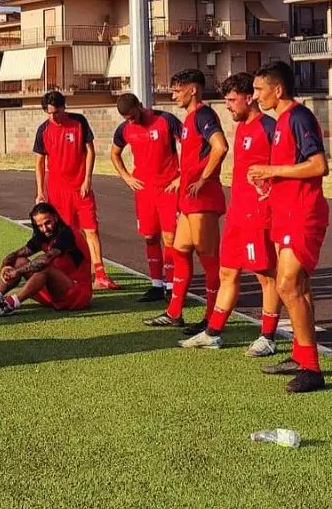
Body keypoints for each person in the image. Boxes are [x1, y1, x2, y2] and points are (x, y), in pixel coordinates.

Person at [180, 72, 283, 357]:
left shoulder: (269, 127)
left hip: (259, 214)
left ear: (249, 98)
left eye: (231, 100)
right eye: (225, 100)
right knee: (228, 271)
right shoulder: (243, 128)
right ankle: (213, 332)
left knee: (266, 275)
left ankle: (268, 336)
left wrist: (271, 190)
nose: (227, 105)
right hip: (238, 213)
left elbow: (288, 165)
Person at [247, 61, 330, 393]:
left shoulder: (298, 117)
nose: (255, 97)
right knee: (300, 289)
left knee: (287, 286)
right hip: (286, 214)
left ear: (277, 90)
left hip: (303, 215)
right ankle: (301, 356)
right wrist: (269, 180)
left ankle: (312, 369)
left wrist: (273, 170)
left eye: (258, 90)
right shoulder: (282, 121)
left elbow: (318, 165)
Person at [143, 69, 228, 332]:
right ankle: (174, 312)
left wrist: (203, 178)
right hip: (188, 199)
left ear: (192, 90)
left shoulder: (203, 114)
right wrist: (183, 178)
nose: (173, 96)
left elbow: (221, 146)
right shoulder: (190, 119)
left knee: (208, 257)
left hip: (203, 199)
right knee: (180, 250)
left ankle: (211, 319)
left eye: (177, 91)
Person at [32, 91, 118, 290]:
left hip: (80, 188)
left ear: (64, 107)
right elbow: (39, 162)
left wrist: (87, 179)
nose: (54, 116)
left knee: (91, 229)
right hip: (56, 191)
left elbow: (90, 151)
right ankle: (73, 274)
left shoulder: (79, 122)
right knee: (67, 234)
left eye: (57, 111)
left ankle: (100, 274)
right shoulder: (43, 130)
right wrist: (40, 191)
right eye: (49, 113)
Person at [111, 93, 182, 302]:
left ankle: (172, 285)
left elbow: (189, 145)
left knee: (170, 237)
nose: (131, 121)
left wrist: (182, 176)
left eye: (133, 116)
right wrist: (126, 177)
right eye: (127, 119)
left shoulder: (165, 120)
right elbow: (114, 153)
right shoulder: (124, 129)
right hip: (144, 190)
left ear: (140, 106)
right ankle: (156, 285)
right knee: (150, 236)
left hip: (168, 188)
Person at [0, 203, 92, 316]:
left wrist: (17, 272)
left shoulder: (67, 234)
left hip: (77, 295)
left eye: (47, 222)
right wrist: (5, 266)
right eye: (40, 225)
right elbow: (16, 254)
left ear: (55, 217)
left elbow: (45, 260)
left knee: (44, 266)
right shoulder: (43, 235)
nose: (45, 229)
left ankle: (9, 304)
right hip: (55, 293)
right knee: (20, 261)